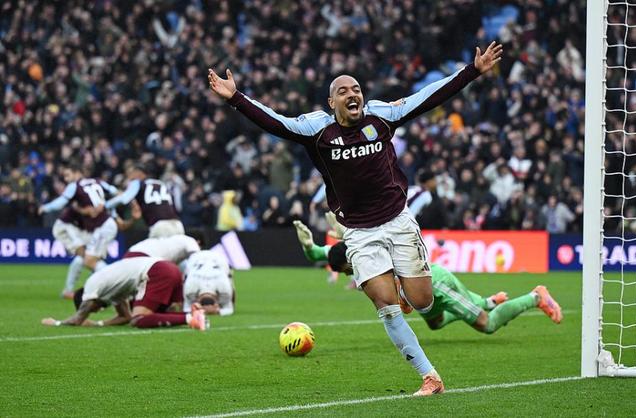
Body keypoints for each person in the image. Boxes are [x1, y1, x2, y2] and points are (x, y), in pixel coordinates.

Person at [209, 41, 503, 395]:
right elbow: (277, 122)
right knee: (386, 307)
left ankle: (405, 288)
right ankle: (430, 376)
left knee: (423, 302)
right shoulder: (317, 130)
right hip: (359, 232)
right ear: (331, 103)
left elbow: (426, 98)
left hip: (398, 220)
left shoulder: (381, 116)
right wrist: (236, 98)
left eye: (357, 89)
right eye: (343, 91)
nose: (353, 94)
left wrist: (472, 72)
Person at [293, 218, 563, 333]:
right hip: (420, 293)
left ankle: (535, 297)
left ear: (350, 260)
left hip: (436, 285)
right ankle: (487, 301)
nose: (348, 274)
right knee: (435, 323)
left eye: (346, 270)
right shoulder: (351, 255)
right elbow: (319, 254)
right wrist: (307, 247)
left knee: (487, 324)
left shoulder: (370, 254)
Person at [40, 256, 207, 330]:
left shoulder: (91, 285)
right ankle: (195, 314)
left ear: (86, 299)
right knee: (163, 313)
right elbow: (125, 317)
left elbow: (78, 319)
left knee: (139, 319)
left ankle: (191, 319)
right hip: (169, 268)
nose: (97, 310)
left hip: (156, 271)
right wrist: (99, 324)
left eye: (93, 309)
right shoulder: (110, 289)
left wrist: (56, 323)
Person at [39, 164, 119, 288]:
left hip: (95, 226)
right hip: (91, 226)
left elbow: (61, 202)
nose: (66, 179)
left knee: (88, 259)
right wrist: (108, 207)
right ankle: (98, 287)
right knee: (88, 258)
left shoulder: (74, 186)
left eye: (68, 175)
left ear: (77, 173)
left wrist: (45, 207)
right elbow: (115, 192)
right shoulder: (98, 181)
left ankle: (115, 283)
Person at [104, 164, 184, 238]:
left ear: (138, 173)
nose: (128, 178)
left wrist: (106, 205)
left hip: (159, 227)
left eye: (130, 174)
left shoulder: (137, 183)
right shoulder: (160, 183)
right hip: (177, 224)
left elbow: (124, 199)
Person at [183, 250, 235, 316]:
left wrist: (216, 311)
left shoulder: (225, 289)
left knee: (230, 287)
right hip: (195, 259)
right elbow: (186, 309)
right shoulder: (190, 290)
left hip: (218, 260)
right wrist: (217, 311)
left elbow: (229, 309)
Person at [123, 232, 203, 264]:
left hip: (131, 253)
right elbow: (198, 259)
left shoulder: (175, 240)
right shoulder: (190, 240)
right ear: (198, 242)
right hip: (143, 256)